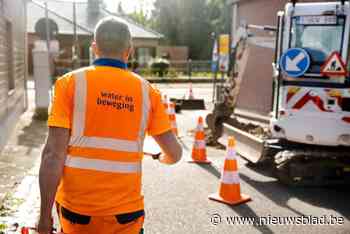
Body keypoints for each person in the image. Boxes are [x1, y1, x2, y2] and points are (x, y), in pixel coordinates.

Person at [37, 17, 182, 234]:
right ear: (129, 50)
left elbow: (52, 155)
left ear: (94, 48)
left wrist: (44, 216)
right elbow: (175, 153)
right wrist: (162, 158)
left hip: (77, 212)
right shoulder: (148, 92)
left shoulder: (69, 84)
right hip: (126, 215)